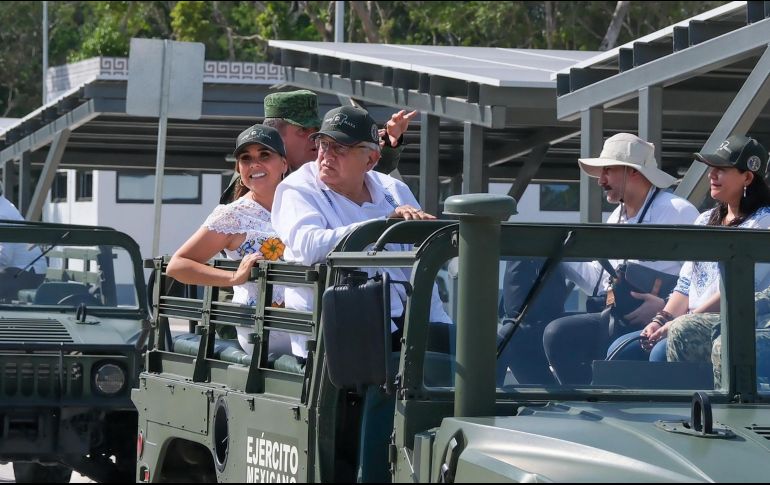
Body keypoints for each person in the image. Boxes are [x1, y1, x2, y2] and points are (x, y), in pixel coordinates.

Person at [271, 105, 451, 360]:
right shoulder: (297, 188)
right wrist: (383, 224)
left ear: (371, 160)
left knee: (484, 350)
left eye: (340, 149)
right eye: (323, 144)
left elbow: (420, 265)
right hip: (335, 329)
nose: (326, 156)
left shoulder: (394, 190)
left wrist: (441, 325)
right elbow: (308, 246)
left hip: (401, 324)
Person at [539, 133, 699, 385]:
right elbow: (599, 281)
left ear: (633, 172)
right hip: (616, 317)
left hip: (661, 324)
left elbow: (702, 277)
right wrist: (555, 249)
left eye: (608, 171)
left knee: (601, 347)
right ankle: (586, 406)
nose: (600, 180)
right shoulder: (617, 215)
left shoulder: (678, 211)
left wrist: (664, 308)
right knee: (556, 334)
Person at [631, 136, 770, 381]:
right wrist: (660, 320)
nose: (711, 175)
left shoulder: (764, 222)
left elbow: (738, 289)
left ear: (747, 177)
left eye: (722, 169)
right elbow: (685, 285)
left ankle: (688, 417)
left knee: (661, 350)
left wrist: (679, 324)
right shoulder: (705, 219)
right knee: (626, 348)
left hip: (733, 324)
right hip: (688, 319)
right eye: (710, 168)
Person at [166, 125, 290, 355]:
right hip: (264, 329)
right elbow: (177, 266)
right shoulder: (232, 216)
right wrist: (233, 277)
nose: (254, 164)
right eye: (246, 158)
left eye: (265, 155)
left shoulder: (304, 203)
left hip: (308, 319)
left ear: (284, 163)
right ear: (239, 168)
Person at [220, 89, 415, 202]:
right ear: (276, 136)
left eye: (316, 130)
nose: (313, 137)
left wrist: (390, 142)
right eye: (302, 130)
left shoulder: (323, 167)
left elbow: (363, 172)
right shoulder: (254, 175)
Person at [0, 191, 46, 301]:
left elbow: (5, 257)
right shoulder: (4, 205)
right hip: (20, 270)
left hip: (26, 272)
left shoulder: (2, 214)